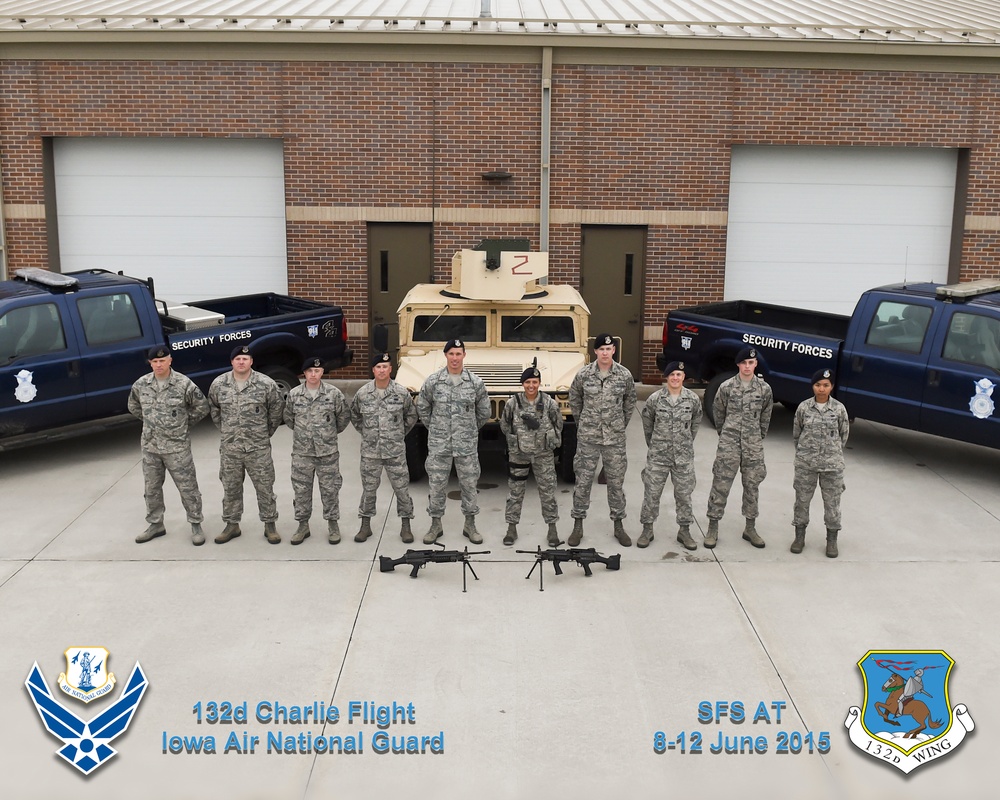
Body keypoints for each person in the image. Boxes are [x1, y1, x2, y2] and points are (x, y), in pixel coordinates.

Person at [128, 345, 210, 545]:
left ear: (170, 360)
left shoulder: (183, 384)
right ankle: (156, 524)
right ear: (150, 363)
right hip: (151, 447)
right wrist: (151, 423)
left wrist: (181, 424)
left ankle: (196, 524)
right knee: (152, 488)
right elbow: (133, 406)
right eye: (154, 362)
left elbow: (202, 406)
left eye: (162, 361)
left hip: (177, 447)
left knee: (188, 487)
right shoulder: (141, 384)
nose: (158, 365)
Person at [208, 345, 285, 545]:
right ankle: (232, 525)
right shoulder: (219, 384)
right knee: (231, 488)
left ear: (251, 361)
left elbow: (276, 411)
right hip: (230, 448)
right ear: (231, 361)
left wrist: (264, 433)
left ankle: (270, 525)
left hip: (257, 448)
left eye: (245, 358)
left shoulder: (265, 384)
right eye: (237, 359)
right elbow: (215, 410)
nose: (241, 362)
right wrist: (228, 432)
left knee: (265, 487)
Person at [417, 339, 490, 544]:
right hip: (439, 444)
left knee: (469, 484)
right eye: (451, 354)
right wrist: (437, 428)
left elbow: (484, 411)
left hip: (466, 445)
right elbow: (422, 406)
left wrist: (468, 429)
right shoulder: (433, 381)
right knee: (436, 485)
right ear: (446, 356)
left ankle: (470, 524)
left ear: (464, 355)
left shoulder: (475, 382)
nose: (455, 358)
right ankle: (435, 524)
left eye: (458, 354)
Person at [568, 333, 637, 547]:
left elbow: (629, 402)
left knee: (615, 484)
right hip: (588, 437)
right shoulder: (584, 375)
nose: (605, 353)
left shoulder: (624, 375)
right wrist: (584, 424)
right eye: (601, 349)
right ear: (595, 351)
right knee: (583, 482)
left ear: (613, 351)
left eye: (609, 349)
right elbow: (575, 399)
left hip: (614, 439)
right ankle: (578, 525)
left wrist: (617, 425)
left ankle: (618, 525)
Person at [705, 347, 773, 549]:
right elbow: (718, 413)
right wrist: (727, 434)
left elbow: (765, 417)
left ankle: (750, 528)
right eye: (744, 363)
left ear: (756, 364)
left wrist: (756, 437)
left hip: (753, 446)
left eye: (751, 363)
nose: (747, 367)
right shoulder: (726, 387)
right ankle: (713, 527)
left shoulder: (764, 389)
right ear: (738, 364)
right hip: (730, 444)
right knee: (721, 485)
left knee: (752, 486)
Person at [350, 352, 418, 543]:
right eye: (378, 367)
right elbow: (355, 416)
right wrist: (368, 433)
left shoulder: (401, 392)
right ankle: (365, 525)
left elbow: (411, 416)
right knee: (368, 490)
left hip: (394, 451)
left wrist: (397, 434)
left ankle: (406, 525)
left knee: (401, 488)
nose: (382, 370)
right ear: (373, 370)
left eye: (385, 367)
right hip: (370, 452)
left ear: (390, 369)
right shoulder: (363, 393)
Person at [283, 356, 350, 545]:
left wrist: (327, 434)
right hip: (302, 453)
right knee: (301, 491)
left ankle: (333, 524)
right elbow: (289, 418)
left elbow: (343, 418)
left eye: (317, 371)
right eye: (310, 371)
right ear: (304, 373)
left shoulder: (333, 394)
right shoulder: (295, 394)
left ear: (322, 372)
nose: (314, 374)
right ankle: (302, 526)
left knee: (330, 490)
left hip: (327, 452)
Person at [638, 360, 702, 550]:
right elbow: (647, 424)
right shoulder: (655, 399)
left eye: (679, 375)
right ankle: (647, 529)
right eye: (672, 374)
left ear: (684, 377)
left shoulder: (692, 400)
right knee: (651, 493)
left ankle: (684, 531)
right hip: (658, 456)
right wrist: (655, 444)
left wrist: (685, 443)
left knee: (684, 495)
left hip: (683, 458)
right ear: (666, 377)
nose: (675, 378)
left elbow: (695, 424)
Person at [499, 365, 563, 546]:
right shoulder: (513, 403)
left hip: (543, 455)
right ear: (523, 384)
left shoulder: (549, 403)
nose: (531, 386)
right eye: (528, 382)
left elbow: (558, 424)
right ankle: (511, 528)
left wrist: (549, 440)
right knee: (515, 492)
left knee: (548, 492)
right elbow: (505, 424)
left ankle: (552, 529)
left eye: (535, 382)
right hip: (519, 454)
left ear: (539, 383)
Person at [791, 367, 850, 558]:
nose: (821, 389)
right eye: (818, 385)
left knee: (832, 504)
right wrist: (806, 453)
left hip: (832, 466)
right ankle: (799, 537)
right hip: (806, 464)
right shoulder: (803, 408)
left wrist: (831, 453)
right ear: (813, 386)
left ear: (831, 387)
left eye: (825, 385)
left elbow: (844, 435)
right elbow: (796, 434)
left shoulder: (839, 409)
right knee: (801, 501)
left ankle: (831, 541)